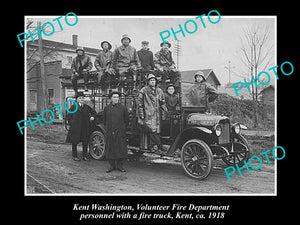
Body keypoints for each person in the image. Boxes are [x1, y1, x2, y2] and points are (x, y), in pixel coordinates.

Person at [137, 74, 168, 151]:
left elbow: (163, 102)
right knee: (151, 130)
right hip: (148, 114)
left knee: (157, 130)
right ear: (148, 82)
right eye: (151, 80)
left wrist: (164, 111)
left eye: (154, 80)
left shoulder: (159, 91)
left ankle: (153, 146)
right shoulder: (143, 90)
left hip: (157, 114)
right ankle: (159, 145)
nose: (152, 82)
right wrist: (141, 114)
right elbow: (139, 103)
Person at [103, 91, 129, 173]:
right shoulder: (107, 108)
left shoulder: (123, 108)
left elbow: (126, 120)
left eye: (117, 97)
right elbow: (104, 120)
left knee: (120, 148)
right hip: (110, 131)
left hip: (120, 132)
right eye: (114, 97)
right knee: (111, 148)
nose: (116, 99)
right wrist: (109, 129)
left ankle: (120, 166)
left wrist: (122, 128)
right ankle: (112, 166)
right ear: (111, 98)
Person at [66, 92, 95, 161]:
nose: (81, 99)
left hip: (84, 127)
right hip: (75, 128)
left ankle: (84, 156)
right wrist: (72, 123)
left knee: (85, 142)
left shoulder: (86, 107)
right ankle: (75, 156)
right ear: (76, 99)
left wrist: (92, 117)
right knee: (75, 142)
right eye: (80, 98)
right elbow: (68, 117)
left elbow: (93, 112)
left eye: (82, 98)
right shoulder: (73, 107)